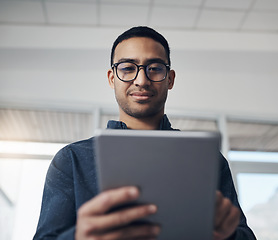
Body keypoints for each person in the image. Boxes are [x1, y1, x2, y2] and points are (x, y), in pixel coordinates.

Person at [34, 26, 256, 240]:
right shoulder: (71, 159)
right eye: (128, 68)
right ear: (112, 78)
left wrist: (228, 235)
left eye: (155, 68)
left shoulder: (207, 160)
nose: (141, 80)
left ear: (170, 79)